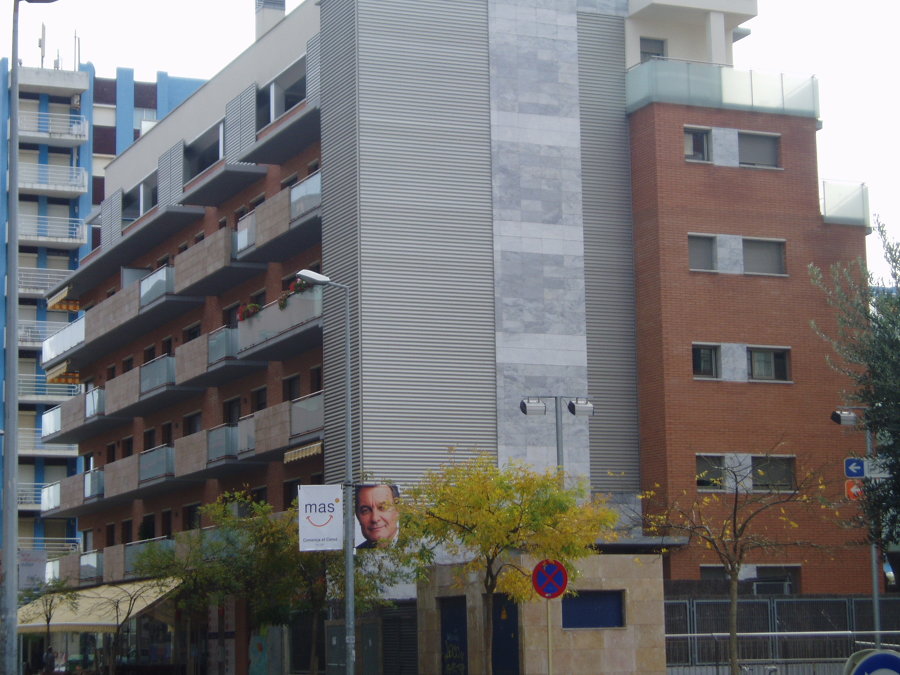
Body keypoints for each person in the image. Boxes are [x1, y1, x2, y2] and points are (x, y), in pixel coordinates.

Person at [355, 484, 400, 548]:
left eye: (383, 507)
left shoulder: (416, 549)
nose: (374, 518)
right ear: (357, 515)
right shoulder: (353, 555)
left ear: (397, 510)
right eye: (366, 510)